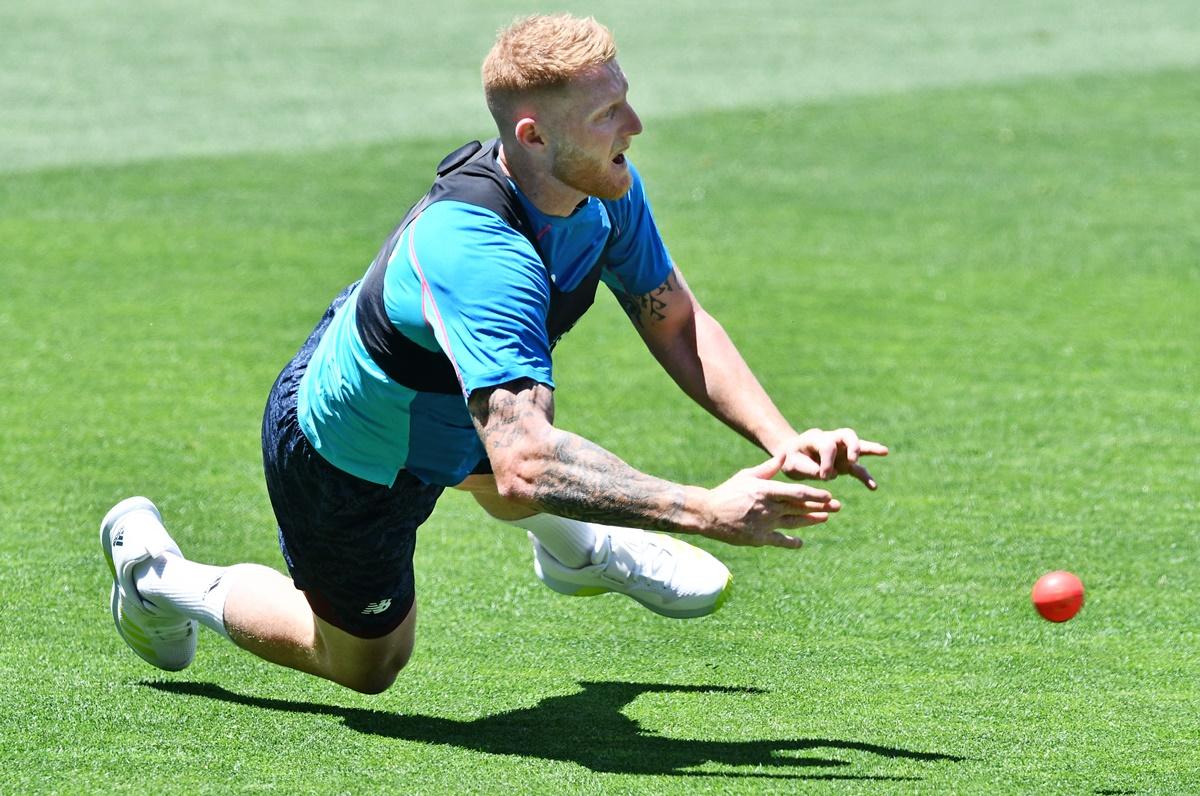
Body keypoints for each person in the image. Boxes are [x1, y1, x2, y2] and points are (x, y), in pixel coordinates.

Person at [101, 14, 887, 695]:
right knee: (366, 664)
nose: (636, 127)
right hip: (353, 456)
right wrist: (701, 511)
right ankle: (158, 576)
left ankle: (577, 553)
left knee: (513, 435)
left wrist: (781, 439)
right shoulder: (479, 250)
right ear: (534, 136)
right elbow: (529, 464)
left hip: (455, 413)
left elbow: (673, 319)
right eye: (609, 112)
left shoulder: (602, 192)